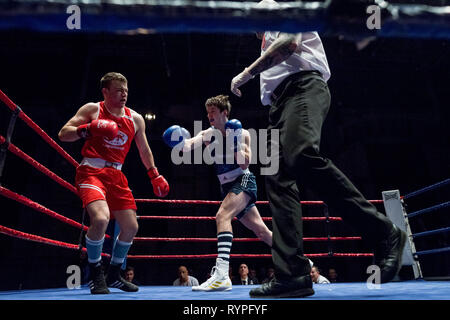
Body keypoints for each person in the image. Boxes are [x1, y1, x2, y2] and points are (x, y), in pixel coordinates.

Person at [229, 0, 407, 298]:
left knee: (302, 155)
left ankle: (384, 233)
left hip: (303, 87)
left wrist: (246, 74)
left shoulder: (278, 9)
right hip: (277, 104)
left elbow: (290, 45)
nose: (253, 28)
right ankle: (292, 276)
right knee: (276, 179)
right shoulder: (266, 35)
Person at [58, 72, 169, 294]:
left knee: (130, 227)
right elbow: (64, 133)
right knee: (100, 218)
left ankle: (113, 274)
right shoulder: (93, 109)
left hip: (117, 175)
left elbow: (144, 149)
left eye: (126, 90)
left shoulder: (135, 118)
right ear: (105, 92)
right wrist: (87, 129)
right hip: (91, 171)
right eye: (118, 90)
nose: (124, 94)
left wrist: (154, 174)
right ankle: (95, 273)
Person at [162, 94, 273, 292]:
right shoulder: (207, 134)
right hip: (226, 187)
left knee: (222, 216)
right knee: (262, 231)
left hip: (243, 180)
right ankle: (297, 259)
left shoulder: (243, 133)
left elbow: (244, 163)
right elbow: (188, 146)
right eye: (207, 112)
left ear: (225, 113)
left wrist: (235, 140)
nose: (209, 115)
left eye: (213, 111)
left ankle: (222, 275)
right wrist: (177, 140)